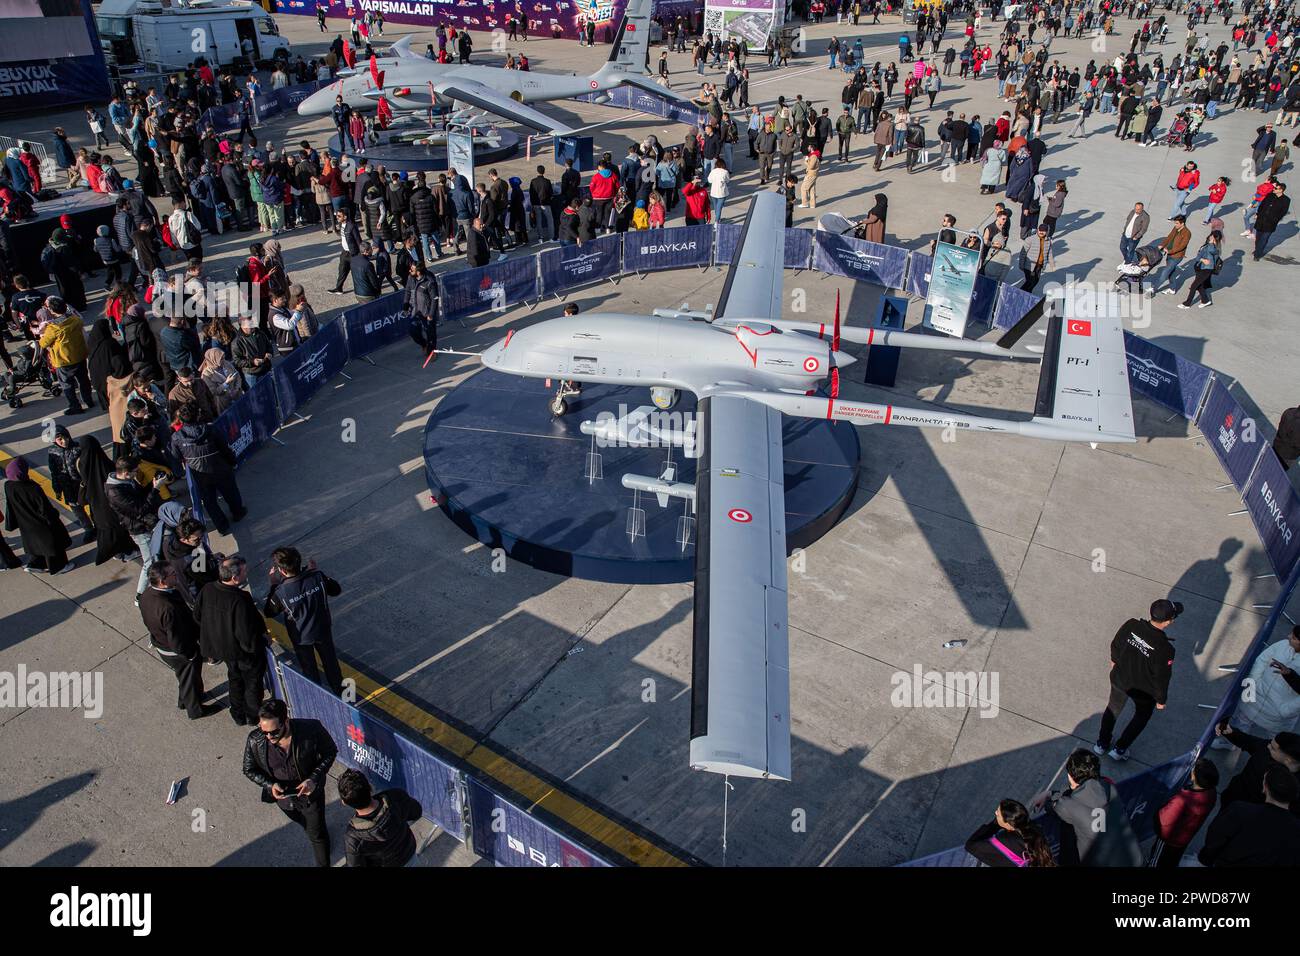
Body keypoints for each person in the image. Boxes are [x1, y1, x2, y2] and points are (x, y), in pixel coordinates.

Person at [242, 698, 337, 867]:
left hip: (310, 796)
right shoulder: (255, 740)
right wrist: (270, 785)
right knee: (305, 825)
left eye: (274, 732)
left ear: (286, 721)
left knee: (317, 835)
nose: (269, 737)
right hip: (284, 800)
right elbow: (249, 769)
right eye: (264, 731)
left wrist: (313, 778)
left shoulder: (310, 729)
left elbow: (330, 752)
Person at [1095, 598, 1181, 760]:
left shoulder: (1131, 625)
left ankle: (1101, 743)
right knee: (1142, 715)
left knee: (1113, 708)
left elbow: (1116, 644)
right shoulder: (1166, 649)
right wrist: (1161, 699)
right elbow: (1162, 677)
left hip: (1120, 679)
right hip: (1143, 691)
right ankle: (1119, 750)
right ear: (1168, 622)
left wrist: (1114, 661)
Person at [140, 563, 220, 720]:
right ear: (162, 581)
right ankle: (195, 710)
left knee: (185, 678)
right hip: (178, 651)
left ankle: (184, 701)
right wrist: (189, 655)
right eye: (171, 574)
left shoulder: (146, 595)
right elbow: (177, 639)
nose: (176, 574)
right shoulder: (168, 608)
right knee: (190, 678)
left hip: (162, 644)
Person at [1038, 749, 1143, 866]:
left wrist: (1050, 795)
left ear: (1070, 777)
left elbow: (1053, 806)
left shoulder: (1068, 804)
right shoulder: (1108, 787)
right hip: (1131, 858)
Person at [263, 547, 345, 697]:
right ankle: (343, 696)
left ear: (281, 571)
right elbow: (336, 590)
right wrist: (314, 573)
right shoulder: (317, 577)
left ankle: (316, 696)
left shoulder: (280, 592)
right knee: (332, 664)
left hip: (301, 638)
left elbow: (269, 612)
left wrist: (273, 585)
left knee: (309, 669)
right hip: (323, 630)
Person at [197, 555, 268, 725]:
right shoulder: (241, 599)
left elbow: (197, 615)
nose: (246, 574)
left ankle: (237, 713)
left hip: (224, 650)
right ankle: (252, 716)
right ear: (235, 578)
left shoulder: (207, 589)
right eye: (244, 572)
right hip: (244, 654)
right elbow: (246, 633)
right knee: (252, 684)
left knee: (235, 680)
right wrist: (258, 645)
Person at [171, 402, 246, 535]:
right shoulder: (211, 429)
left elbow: (176, 455)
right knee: (230, 493)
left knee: (209, 501)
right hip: (220, 469)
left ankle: (221, 526)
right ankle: (238, 513)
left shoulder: (176, 437)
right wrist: (233, 462)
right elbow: (224, 448)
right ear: (198, 415)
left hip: (200, 474)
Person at [1199, 769, 1300, 866]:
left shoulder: (1240, 811)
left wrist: (1206, 859)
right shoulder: (1296, 829)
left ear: (1265, 788)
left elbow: (1216, 837)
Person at [105, 456, 167, 600]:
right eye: (135, 472)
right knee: (149, 562)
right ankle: (140, 595)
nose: (137, 474)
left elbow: (139, 496)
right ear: (126, 473)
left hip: (145, 524)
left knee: (155, 557)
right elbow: (140, 509)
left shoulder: (125, 481)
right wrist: (156, 489)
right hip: (139, 529)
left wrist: (152, 485)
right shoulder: (115, 492)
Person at [339, 769, 423, 867]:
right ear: (370, 787)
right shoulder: (396, 797)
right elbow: (416, 812)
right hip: (408, 854)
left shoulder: (352, 837)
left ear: (344, 802)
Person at [3, 458, 73, 574]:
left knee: (35, 546)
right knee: (52, 545)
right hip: (41, 524)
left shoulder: (8, 486)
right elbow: (44, 508)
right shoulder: (32, 488)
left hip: (25, 523)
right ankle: (58, 567)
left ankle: (35, 564)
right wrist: (54, 516)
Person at [1152, 758, 1218, 868]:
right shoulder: (1212, 793)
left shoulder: (1182, 800)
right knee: (1172, 860)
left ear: (1194, 777)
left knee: (1157, 861)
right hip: (1184, 839)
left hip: (1169, 841)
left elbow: (1164, 821)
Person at [38, 297, 95, 416]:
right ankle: (88, 400)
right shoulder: (76, 319)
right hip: (79, 354)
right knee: (83, 379)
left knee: (67, 384)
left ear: (52, 311)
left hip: (63, 359)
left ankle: (75, 406)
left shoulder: (53, 328)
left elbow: (43, 343)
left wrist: (43, 331)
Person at [963, 799, 1056, 867]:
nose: (995, 813)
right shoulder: (1036, 829)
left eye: (998, 814)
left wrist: (995, 824)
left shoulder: (1003, 841)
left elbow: (970, 845)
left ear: (1009, 824)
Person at [47, 426, 96, 546]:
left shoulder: (78, 448)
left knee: (93, 505)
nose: (64, 441)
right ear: (54, 441)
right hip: (67, 487)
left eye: (65, 437)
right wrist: (57, 489)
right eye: (59, 439)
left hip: (82, 485)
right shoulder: (52, 452)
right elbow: (54, 472)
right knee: (77, 510)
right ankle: (88, 529)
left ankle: (99, 525)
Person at [1177, 232, 1222, 309]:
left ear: (1215, 239)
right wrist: (1202, 259)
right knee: (1199, 286)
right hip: (1200, 268)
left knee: (1194, 286)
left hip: (1207, 269)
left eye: (1212, 236)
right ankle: (1205, 301)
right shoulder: (1206, 245)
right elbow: (1198, 257)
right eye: (1210, 235)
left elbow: (1213, 251)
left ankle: (1187, 303)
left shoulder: (1215, 248)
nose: (1210, 237)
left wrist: (1211, 243)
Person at [1153, 215, 1192, 294]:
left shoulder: (1187, 233)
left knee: (1165, 272)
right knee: (1172, 273)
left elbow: (1182, 246)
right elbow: (1169, 237)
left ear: (1182, 223)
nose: (1175, 225)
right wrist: (1162, 245)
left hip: (1176, 257)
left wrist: (1169, 251)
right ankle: (1172, 289)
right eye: (1175, 223)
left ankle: (1153, 288)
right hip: (1169, 255)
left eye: (1177, 223)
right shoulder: (1176, 228)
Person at [1252, 182, 1290, 260]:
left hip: (1270, 223)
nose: (1274, 189)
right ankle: (1258, 250)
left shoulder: (1286, 200)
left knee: (1264, 239)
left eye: (1276, 188)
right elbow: (1262, 205)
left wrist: (1275, 219)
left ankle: (1257, 255)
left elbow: (1283, 212)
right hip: (1261, 220)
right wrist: (1258, 213)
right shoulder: (1270, 195)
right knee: (1258, 238)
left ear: (1281, 190)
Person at [1017, 224, 1053, 292]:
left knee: (1035, 281)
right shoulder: (1030, 239)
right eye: (1040, 230)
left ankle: (1027, 295)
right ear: (1037, 230)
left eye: (1043, 231)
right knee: (1030, 281)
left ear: (1046, 232)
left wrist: (1051, 264)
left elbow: (1049, 253)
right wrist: (1021, 265)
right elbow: (1022, 253)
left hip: (1039, 266)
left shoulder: (1048, 241)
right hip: (1029, 265)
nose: (1041, 232)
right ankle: (1019, 293)